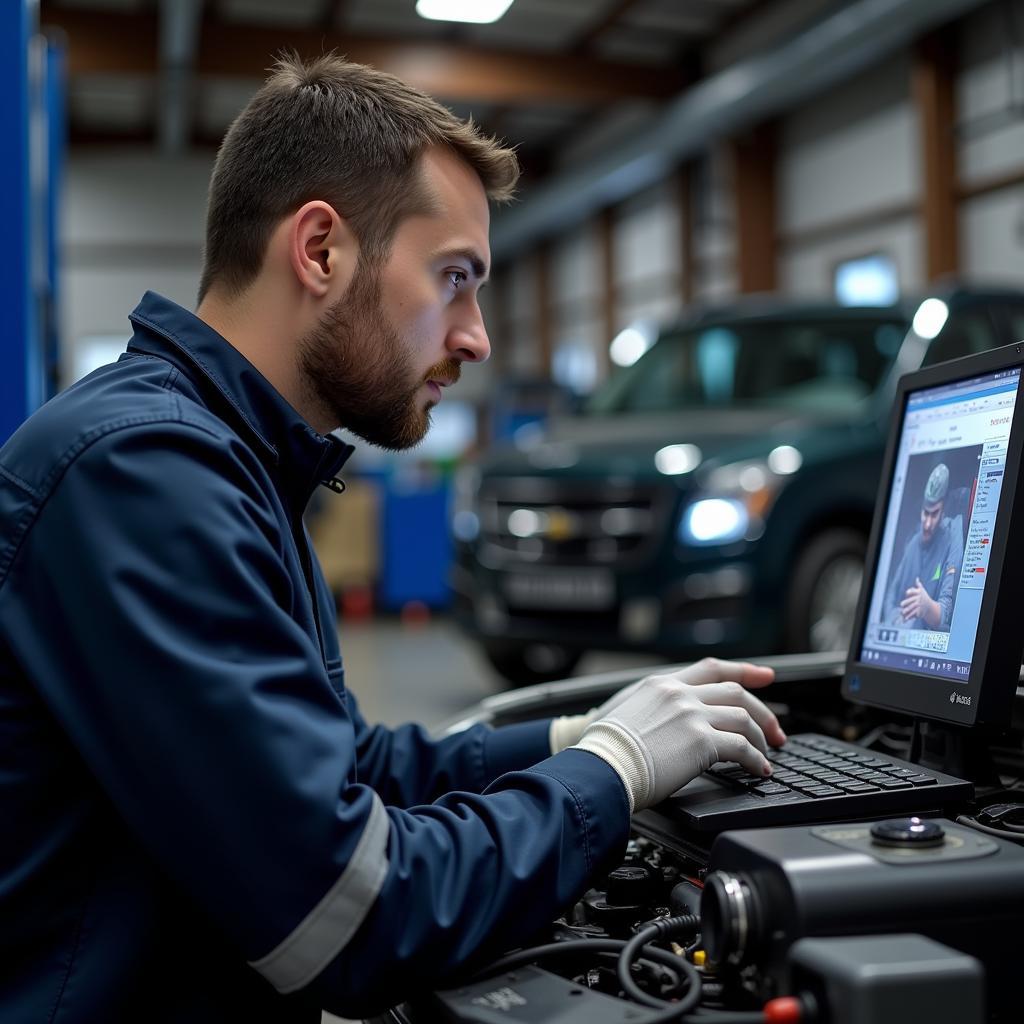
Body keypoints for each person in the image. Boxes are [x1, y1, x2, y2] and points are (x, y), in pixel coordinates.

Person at [0, 55, 785, 1022]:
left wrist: (571, 738)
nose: (477, 336)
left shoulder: (230, 457)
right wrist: (615, 772)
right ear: (321, 250)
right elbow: (348, 915)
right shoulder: (142, 473)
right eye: (454, 278)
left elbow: (345, 769)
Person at [884, 462, 964, 630]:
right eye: (925, 513)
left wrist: (927, 608)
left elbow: (947, 610)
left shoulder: (952, 533)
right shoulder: (913, 543)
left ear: (943, 512)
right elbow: (890, 597)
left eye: (934, 514)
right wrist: (897, 619)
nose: (927, 524)